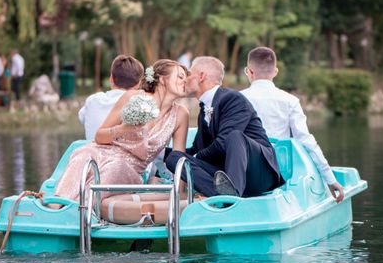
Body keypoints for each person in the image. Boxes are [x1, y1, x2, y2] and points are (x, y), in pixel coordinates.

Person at [53, 59, 190, 202]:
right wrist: (124, 128)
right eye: (180, 77)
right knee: (83, 154)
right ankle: (56, 207)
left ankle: (80, 210)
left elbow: (178, 159)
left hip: (130, 168)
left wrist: (179, 194)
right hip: (103, 150)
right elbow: (99, 136)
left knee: (114, 168)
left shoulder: (181, 114)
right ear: (162, 79)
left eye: (186, 78)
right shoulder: (133, 97)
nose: (184, 81)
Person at [165, 56, 284, 198]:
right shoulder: (203, 111)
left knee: (234, 136)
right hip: (225, 174)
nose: (185, 79)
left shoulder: (233, 99)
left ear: (201, 76)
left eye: (189, 74)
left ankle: (231, 194)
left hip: (257, 173)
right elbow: (197, 150)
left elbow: (223, 142)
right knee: (176, 158)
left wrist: (197, 156)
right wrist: (158, 153)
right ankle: (221, 194)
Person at [241, 47, 345, 203]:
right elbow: (306, 141)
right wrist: (329, 178)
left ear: (249, 71)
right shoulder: (289, 100)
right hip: (279, 173)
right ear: (275, 71)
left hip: (245, 171)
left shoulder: (238, 99)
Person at [79, 54, 144, 140]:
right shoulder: (137, 105)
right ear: (138, 85)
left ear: (111, 79)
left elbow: (81, 118)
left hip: (88, 151)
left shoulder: (92, 100)